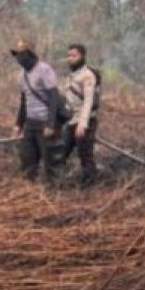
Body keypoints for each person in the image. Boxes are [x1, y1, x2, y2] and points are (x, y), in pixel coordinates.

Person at [11, 37, 61, 184]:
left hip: (45, 122)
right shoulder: (21, 75)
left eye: (23, 53)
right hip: (30, 123)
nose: (20, 58)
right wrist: (18, 125)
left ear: (31, 54)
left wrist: (50, 124)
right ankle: (29, 186)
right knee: (27, 158)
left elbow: (53, 97)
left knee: (50, 160)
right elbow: (24, 102)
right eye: (17, 54)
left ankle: (54, 189)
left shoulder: (44, 69)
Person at [59, 43, 100, 185]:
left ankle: (90, 185)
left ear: (82, 56)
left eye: (74, 56)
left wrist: (82, 125)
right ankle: (55, 181)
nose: (70, 58)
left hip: (84, 121)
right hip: (70, 121)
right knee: (61, 151)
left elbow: (88, 101)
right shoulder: (72, 75)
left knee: (85, 155)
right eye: (69, 55)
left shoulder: (87, 75)